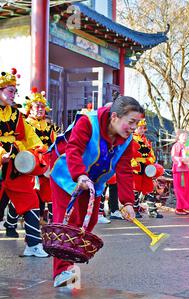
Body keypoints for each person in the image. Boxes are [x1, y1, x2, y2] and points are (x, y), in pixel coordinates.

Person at [49, 96, 143, 287]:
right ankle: (62, 271)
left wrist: (127, 203)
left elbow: (124, 170)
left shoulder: (126, 139)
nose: (134, 127)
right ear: (115, 117)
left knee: (89, 221)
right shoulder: (88, 121)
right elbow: (74, 149)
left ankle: (69, 260)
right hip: (68, 176)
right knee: (69, 222)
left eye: (137, 123)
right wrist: (79, 175)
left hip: (94, 182)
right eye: (131, 122)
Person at [0, 69, 49, 257]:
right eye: (10, 90)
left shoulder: (16, 114)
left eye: (14, 91)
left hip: (15, 167)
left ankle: (34, 245)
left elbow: (30, 136)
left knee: (31, 202)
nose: (14, 94)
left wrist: (39, 150)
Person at [23, 87, 60, 223]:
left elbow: (55, 143)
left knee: (49, 192)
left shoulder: (50, 126)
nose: (39, 109)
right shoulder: (25, 124)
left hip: (46, 164)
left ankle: (51, 220)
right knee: (32, 193)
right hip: (30, 163)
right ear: (30, 108)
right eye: (36, 106)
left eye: (42, 106)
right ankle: (23, 221)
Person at [132, 119, 163, 218]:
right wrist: (137, 162)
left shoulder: (146, 141)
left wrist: (148, 160)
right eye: (139, 127)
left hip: (146, 169)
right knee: (135, 189)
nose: (141, 130)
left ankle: (152, 210)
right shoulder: (131, 140)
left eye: (143, 128)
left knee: (149, 188)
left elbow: (152, 155)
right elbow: (129, 156)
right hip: (136, 169)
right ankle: (134, 210)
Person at [171, 129, 189, 215]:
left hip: (186, 170)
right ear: (178, 137)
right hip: (179, 170)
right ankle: (179, 208)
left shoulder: (188, 145)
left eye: (186, 136)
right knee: (180, 189)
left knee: (186, 189)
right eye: (182, 136)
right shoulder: (176, 146)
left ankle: (184, 206)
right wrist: (182, 160)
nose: (185, 137)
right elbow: (174, 157)